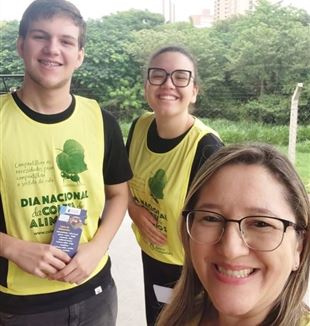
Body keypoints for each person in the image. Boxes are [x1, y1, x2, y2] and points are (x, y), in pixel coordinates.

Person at [0, 0, 132, 325]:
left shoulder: (102, 121)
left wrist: (97, 247)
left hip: (94, 292)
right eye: (40, 36)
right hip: (20, 306)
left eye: (66, 41)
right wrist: (12, 248)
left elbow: (119, 194)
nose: (52, 49)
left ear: (80, 55)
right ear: (20, 45)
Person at [157, 143, 310, 326]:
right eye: (211, 219)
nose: (230, 249)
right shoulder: (182, 316)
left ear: (299, 246)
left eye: (261, 224)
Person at [126, 45, 223, 325]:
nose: (168, 84)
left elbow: (219, 222)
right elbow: (121, 183)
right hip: (151, 256)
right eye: (158, 75)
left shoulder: (206, 148)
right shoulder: (139, 127)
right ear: (147, 85)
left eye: (181, 77)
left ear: (194, 91)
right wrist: (133, 209)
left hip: (189, 269)